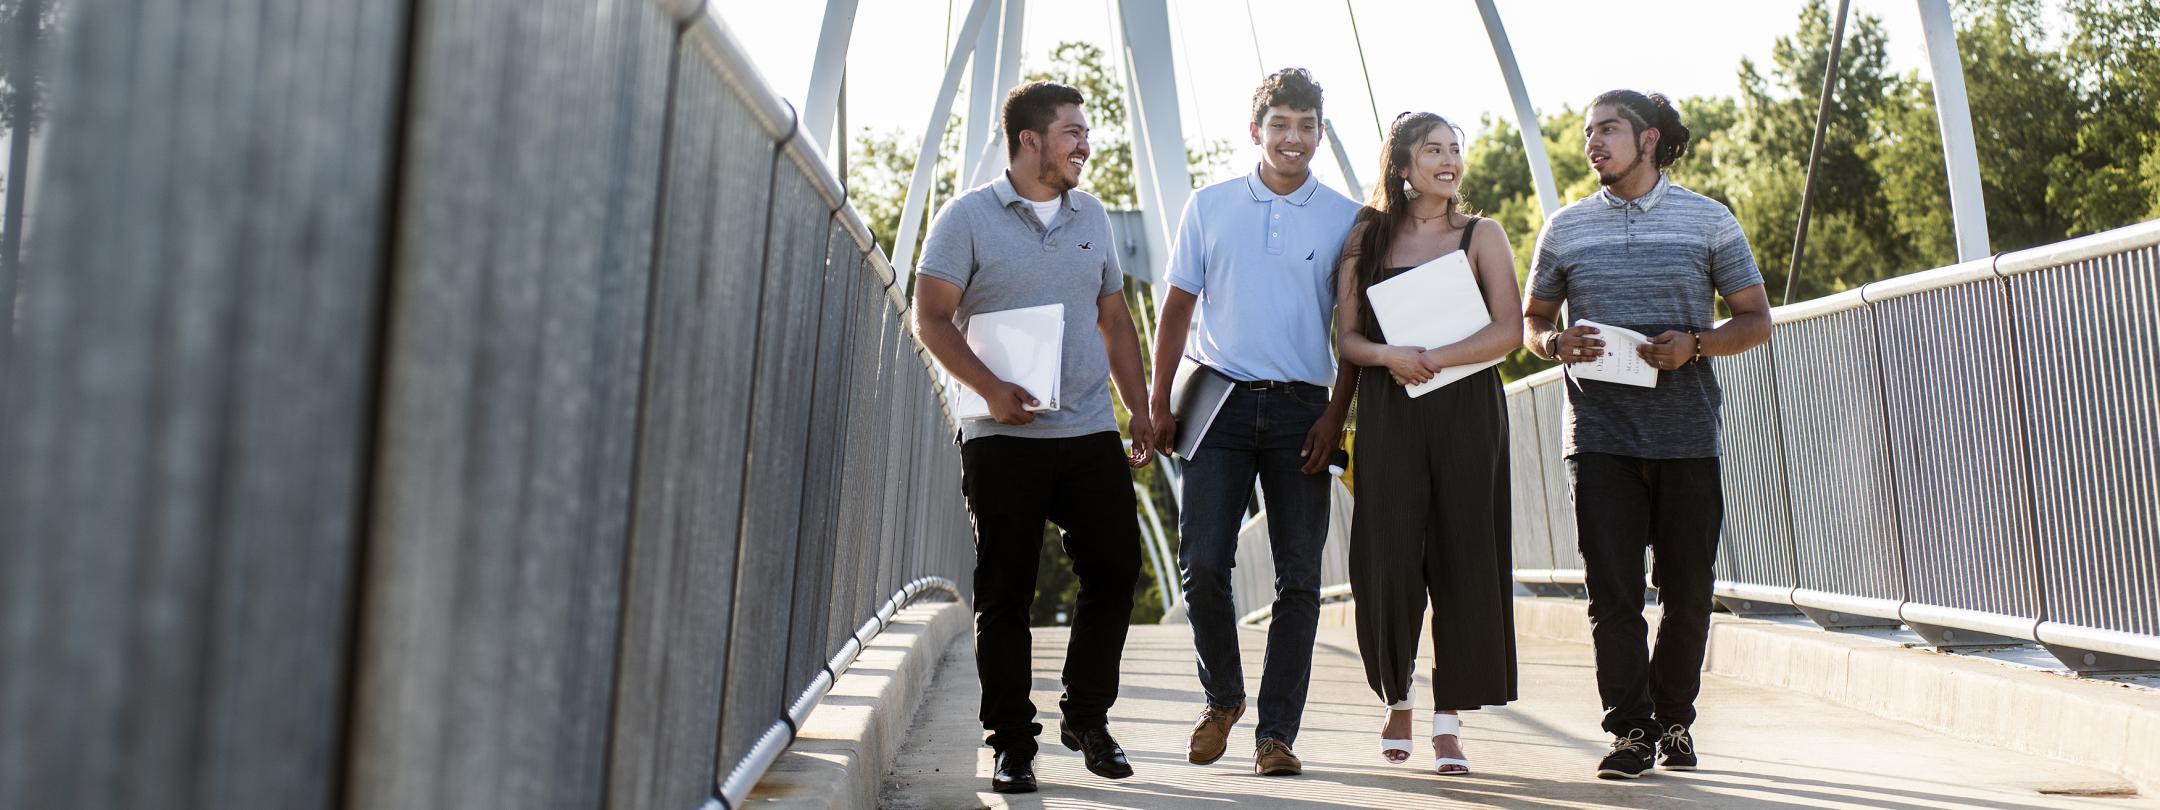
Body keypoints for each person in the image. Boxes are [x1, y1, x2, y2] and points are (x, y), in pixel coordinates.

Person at [912, 80, 1156, 795]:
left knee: (1115, 569)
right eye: (1073, 132)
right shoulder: (967, 218)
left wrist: (1138, 409)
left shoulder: (1094, 216)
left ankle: (1086, 716)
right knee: (1006, 592)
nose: (1086, 143)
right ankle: (1012, 743)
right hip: (1001, 436)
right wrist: (989, 389)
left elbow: (1115, 320)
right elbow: (930, 318)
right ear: (1029, 140)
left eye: (1085, 132)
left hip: (1086, 428)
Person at [1520, 89, 1772, 780]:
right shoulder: (1565, 229)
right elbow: (1531, 322)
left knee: (1688, 591)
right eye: (1587, 132)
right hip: (1598, 434)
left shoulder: (1708, 221)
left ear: (1649, 138)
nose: (1593, 142)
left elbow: (1754, 319)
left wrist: (1694, 345)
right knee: (1613, 593)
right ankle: (1631, 730)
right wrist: (1554, 344)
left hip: (1687, 435)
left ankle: (1675, 722)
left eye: (1608, 129)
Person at [1145, 67, 1360, 777]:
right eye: (1280, 125)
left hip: (1305, 407)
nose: (1293, 138)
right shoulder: (1208, 207)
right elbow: (1176, 310)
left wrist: (1337, 413)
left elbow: (1354, 327)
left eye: (1306, 126)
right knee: (1203, 562)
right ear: (1256, 132)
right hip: (1219, 402)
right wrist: (1157, 402)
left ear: (1320, 134)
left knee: (1299, 578)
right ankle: (1223, 697)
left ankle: (1277, 737)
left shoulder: (1347, 217)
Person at [1333, 111, 1521, 776]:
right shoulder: (1367, 237)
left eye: (1453, 149)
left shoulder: (1481, 234)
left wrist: (1435, 357)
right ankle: (1398, 699)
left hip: (1467, 409)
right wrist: (1391, 356)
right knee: (1387, 555)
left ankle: (1448, 720)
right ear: (1402, 165)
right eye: (1431, 150)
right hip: (1391, 407)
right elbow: (1346, 340)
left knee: (1466, 556)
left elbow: (1510, 331)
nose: (1448, 160)